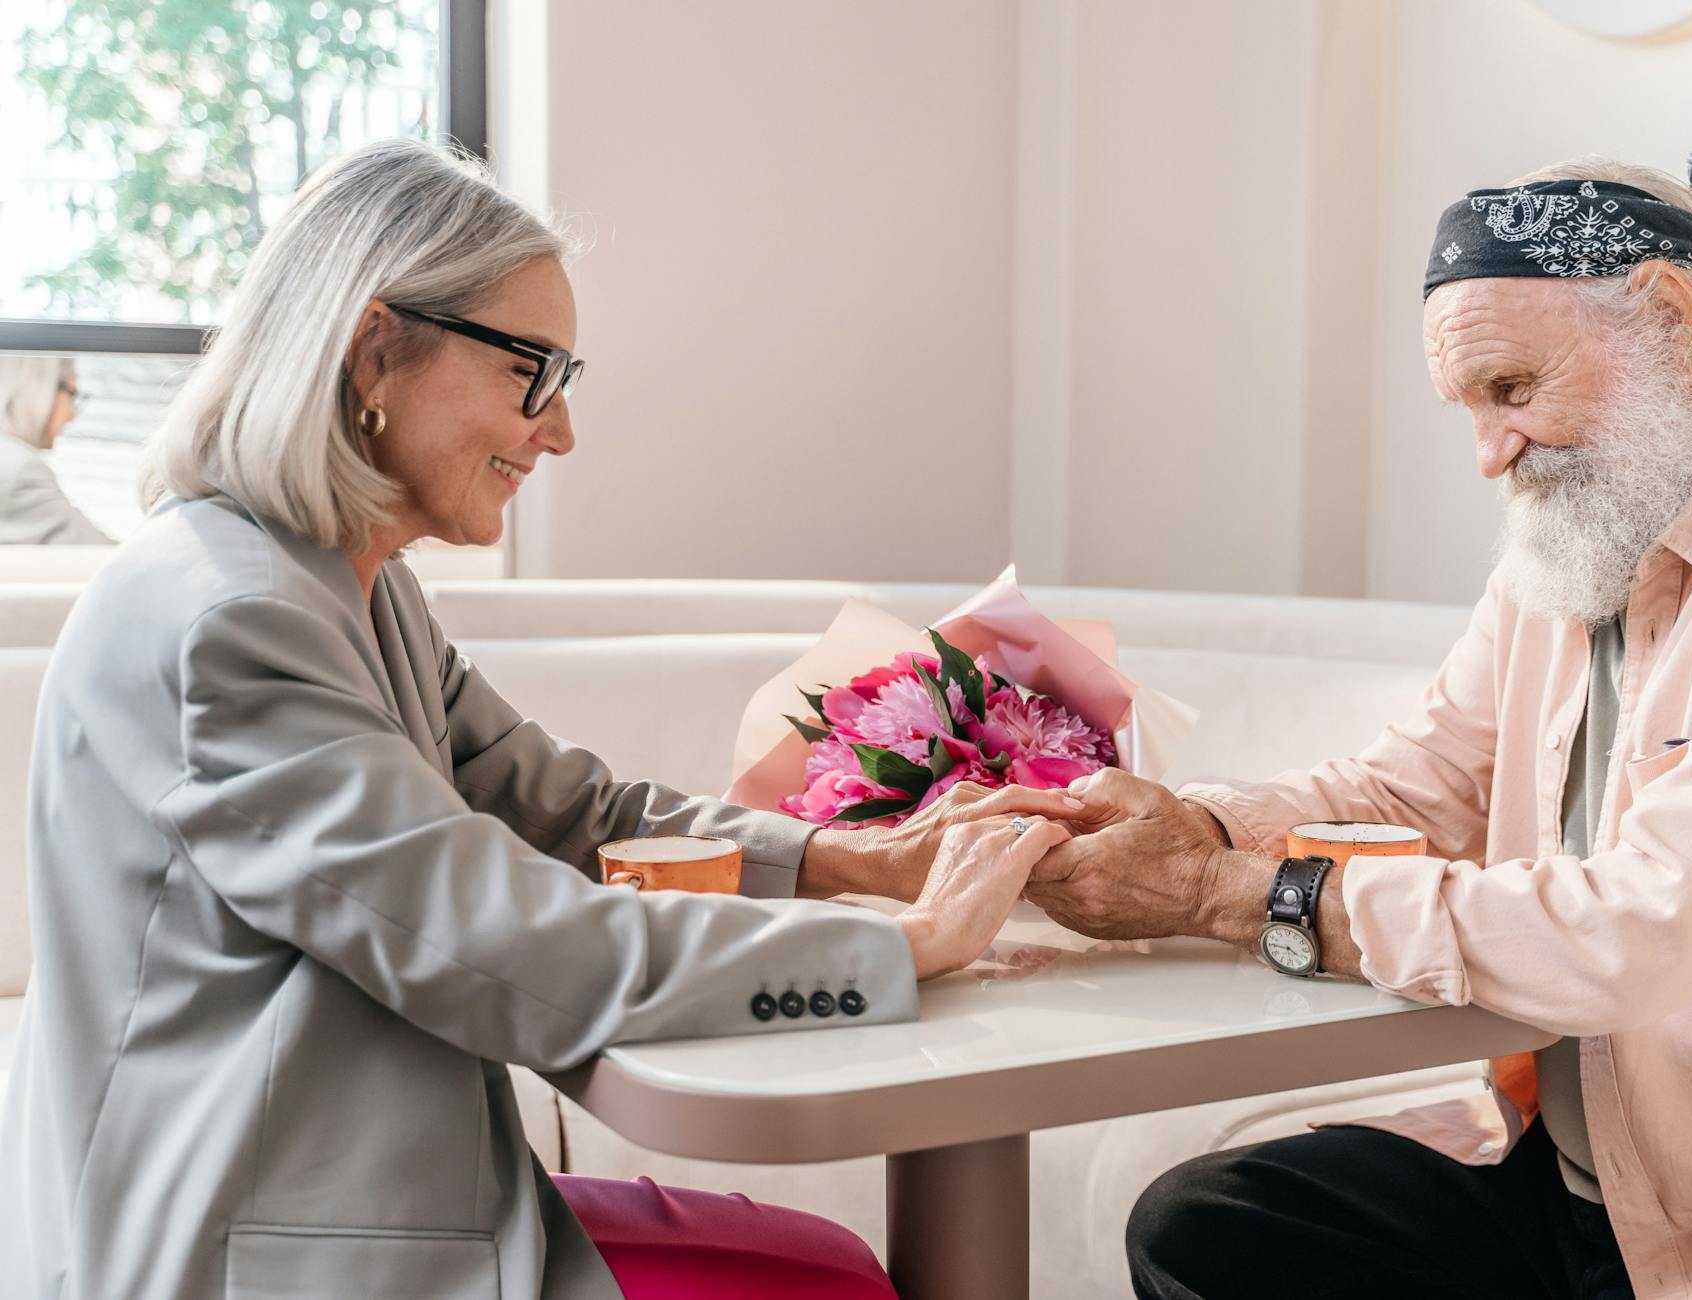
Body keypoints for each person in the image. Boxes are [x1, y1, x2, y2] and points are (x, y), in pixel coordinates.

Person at [0, 138, 1079, 1300]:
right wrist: (904, 946)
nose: (558, 433)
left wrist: (857, 861)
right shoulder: (232, 620)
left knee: (834, 1271)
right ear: (374, 349)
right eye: (533, 374)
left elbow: (570, 809)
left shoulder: (341, 583)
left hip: (357, 1207)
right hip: (248, 1256)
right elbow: (499, 938)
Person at [1030, 146, 1692, 1297]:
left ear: (1669, 319)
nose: (1487, 453)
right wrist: (1179, 829)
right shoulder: (1587, 532)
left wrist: (1225, 894)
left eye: (1511, 390)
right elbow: (1411, 792)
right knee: (1207, 1227)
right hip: (1572, 1183)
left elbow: (1641, 928)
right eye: (1470, 407)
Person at [0, 354, 113, 544]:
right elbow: (99, 556)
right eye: (73, 394)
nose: (71, 415)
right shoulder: (18, 469)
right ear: (41, 387)